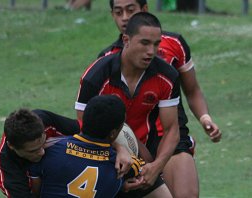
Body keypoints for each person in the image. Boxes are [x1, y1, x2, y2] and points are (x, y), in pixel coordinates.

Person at [98, 0, 222, 197]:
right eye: (118, 12)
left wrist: (205, 118)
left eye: (130, 10)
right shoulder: (107, 60)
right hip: (133, 144)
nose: (124, 18)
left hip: (172, 136)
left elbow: (192, 89)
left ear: (144, 9)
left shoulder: (174, 44)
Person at [75, 12, 180, 197]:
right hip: (100, 153)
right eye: (145, 43)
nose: (151, 51)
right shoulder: (97, 75)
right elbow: (83, 123)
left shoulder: (167, 76)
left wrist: (156, 166)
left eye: (156, 44)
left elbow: (172, 129)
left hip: (143, 158)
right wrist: (119, 148)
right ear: (126, 39)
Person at [0, 108, 131, 197]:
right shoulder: (7, 173)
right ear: (12, 146)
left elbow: (92, 132)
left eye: (43, 144)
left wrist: (120, 148)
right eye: (33, 151)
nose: (42, 153)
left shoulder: (43, 120)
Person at [29, 95, 145, 197]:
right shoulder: (122, 165)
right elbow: (144, 171)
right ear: (113, 133)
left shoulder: (50, 148)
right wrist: (121, 148)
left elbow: (36, 191)